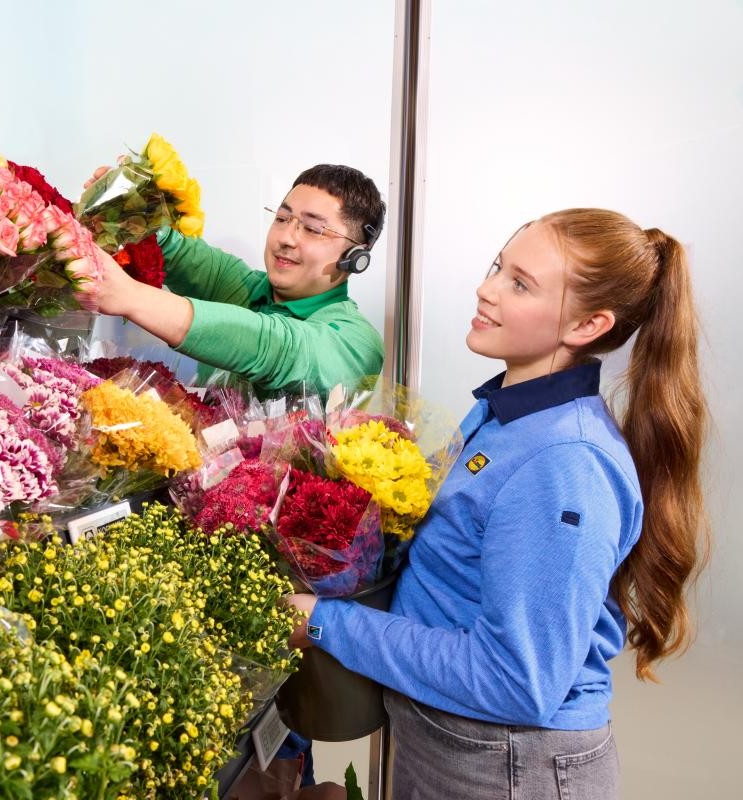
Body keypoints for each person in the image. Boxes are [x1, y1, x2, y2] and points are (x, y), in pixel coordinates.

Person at [286, 209, 707, 799]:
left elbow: (516, 679)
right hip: (460, 744)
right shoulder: (508, 414)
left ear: (589, 324)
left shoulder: (564, 463)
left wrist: (328, 622)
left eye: (520, 284)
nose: (485, 290)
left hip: (506, 765)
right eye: (497, 267)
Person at [84, 164, 386, 398]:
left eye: (312, 229)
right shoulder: (243, 287)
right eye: (282, 219)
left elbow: (273, 346)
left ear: (356, 256)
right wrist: (123, 207)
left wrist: (131, 297)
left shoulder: (357, 343)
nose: (285, 238)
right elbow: (172, 250)